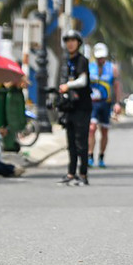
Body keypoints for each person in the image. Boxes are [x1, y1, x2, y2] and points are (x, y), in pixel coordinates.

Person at [58, 29, 92, 186]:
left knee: (81, 143)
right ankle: (71, 173)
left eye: (73, 41)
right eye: (68, 41)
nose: (70, 44)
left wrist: (68, 86)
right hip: (69, 108)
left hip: (82, 108)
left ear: (78, 43)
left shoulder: (81, 61)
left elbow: (83, 81)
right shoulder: (66, 61)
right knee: (71, 142)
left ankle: (83, 174)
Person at [88, 42, 120, 168]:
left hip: (106, 104)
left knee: (104, 131)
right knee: (92, 128)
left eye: (102, 57)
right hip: (92, 103)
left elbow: (116, 87)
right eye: (98, 57)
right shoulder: (89, 67)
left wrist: (117, 103)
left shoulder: (112, 69)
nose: (100, 60)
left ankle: (101, 156)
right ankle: (90, 156)